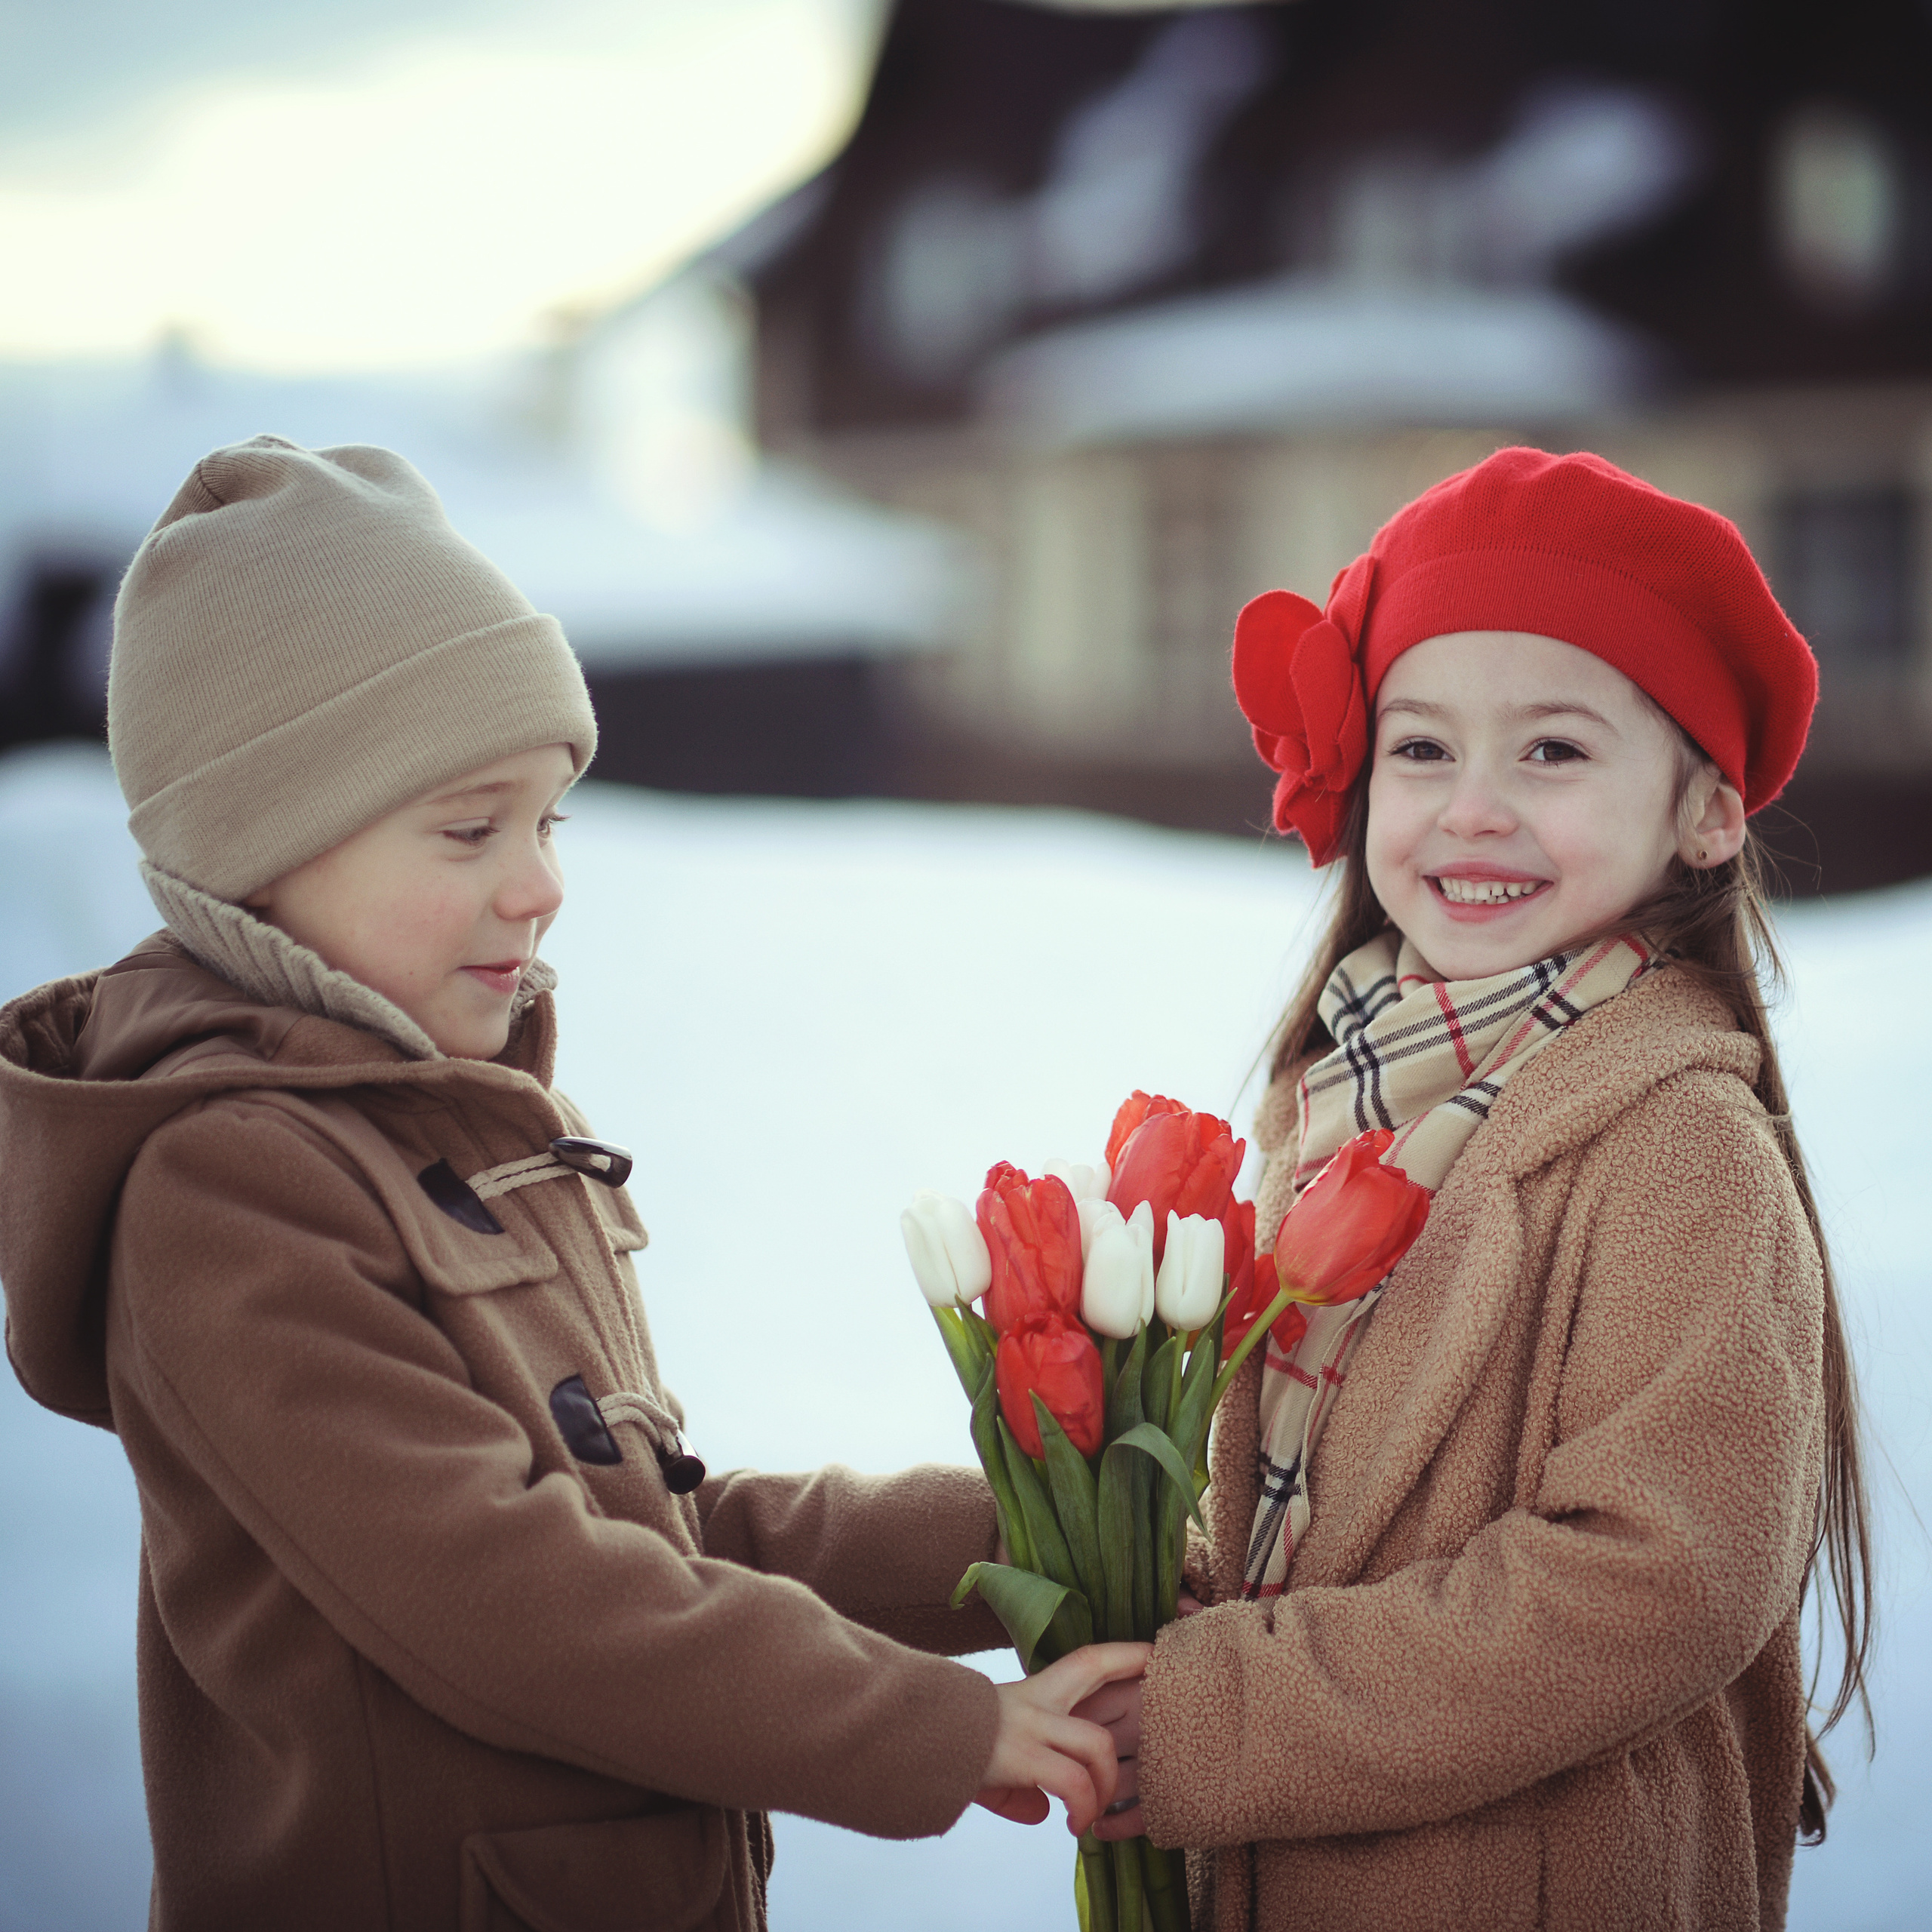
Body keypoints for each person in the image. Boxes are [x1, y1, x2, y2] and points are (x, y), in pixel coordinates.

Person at [0, 435, 1148, 1932]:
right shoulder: (226, 1189)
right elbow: (513, 1596)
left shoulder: (465, 1127)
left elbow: (659, 1539)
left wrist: (1031, 1534)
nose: (541, 882)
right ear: (263, 848)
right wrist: (930, 1728)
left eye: (548, 820)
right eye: (469, 827)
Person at [1072, 448, 1872, 1931]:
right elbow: (1288, 1511)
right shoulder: (1342, 1097)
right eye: (1423, 749)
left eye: (1552, 752)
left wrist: (1218, 1714)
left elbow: (1653, 1583)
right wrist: (1093, 1542)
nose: (1473, 809)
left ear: (1704, 811)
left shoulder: (1678, 1144)